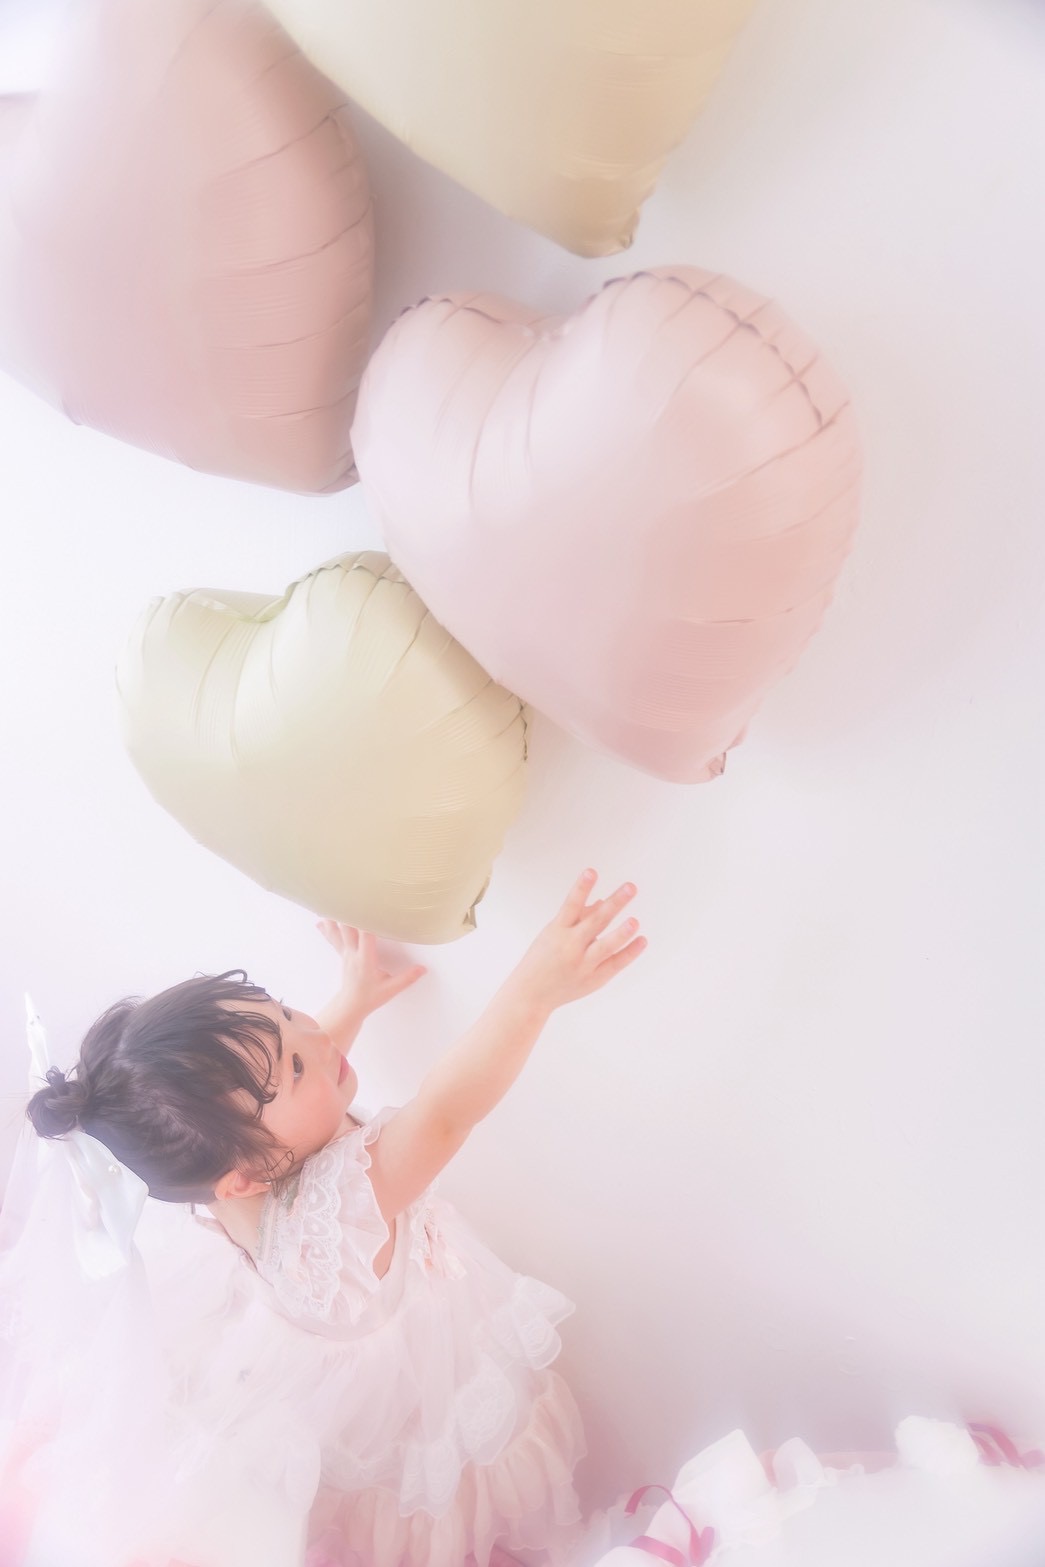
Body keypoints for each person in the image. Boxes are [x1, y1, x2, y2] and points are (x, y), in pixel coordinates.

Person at [15, 869, 645, 1567]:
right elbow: (443, 1113)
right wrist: (533, 992)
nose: (314, 1036)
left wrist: (350, 1000)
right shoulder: (345, 1214)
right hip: (414, 1385)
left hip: (333, 1351)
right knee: (453, 1472)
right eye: (293, 1064)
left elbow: (279, 1102)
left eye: (285, 1013)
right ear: (244, 1177)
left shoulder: (222, 1175)